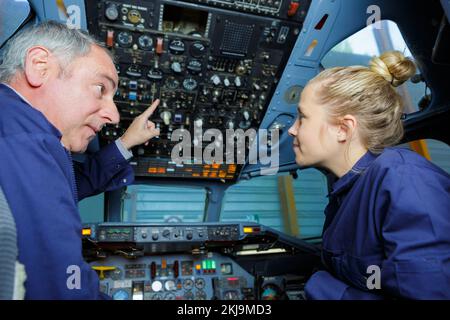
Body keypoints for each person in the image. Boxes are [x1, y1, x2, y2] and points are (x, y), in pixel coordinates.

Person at [0, 21, 160, 299]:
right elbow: (67, 290)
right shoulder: (25, 143)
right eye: (100, 88)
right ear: (40, 66)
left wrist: (125, 143)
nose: (114, 115)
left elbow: (73, 184)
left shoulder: (22, 132)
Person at [288, 51, 450, 299]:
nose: (292, 130)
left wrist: (323, 289)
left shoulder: (405, 180)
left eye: (302, 117)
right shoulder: (347, 190)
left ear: (343, 129)